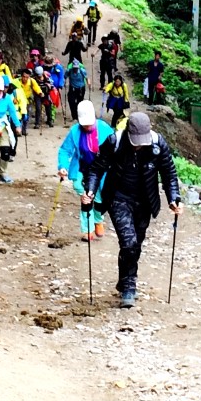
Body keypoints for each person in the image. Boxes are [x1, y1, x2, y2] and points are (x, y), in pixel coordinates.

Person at [97, 108, 180, 306]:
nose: (138, 147)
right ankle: (129, 287)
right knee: (128, 242)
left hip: (145, 202)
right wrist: (90, 190)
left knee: (135, 245)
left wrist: (174, 198)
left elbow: (169, 174)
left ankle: (123, 279)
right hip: (119, 198)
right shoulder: (114, 142)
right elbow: (96, 167)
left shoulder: (158, 144)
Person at [57, 98, 113, 239]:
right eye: (84, 125)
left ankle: (98, 220)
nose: (87, 127)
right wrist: (63, 166)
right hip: (82, 168)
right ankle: (87, 228)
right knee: (85, 194)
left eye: (90, 124)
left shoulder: (105, 129)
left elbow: (116, 150)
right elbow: (65, 150)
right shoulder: (75, 131)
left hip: (101, 170)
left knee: (99, 198)